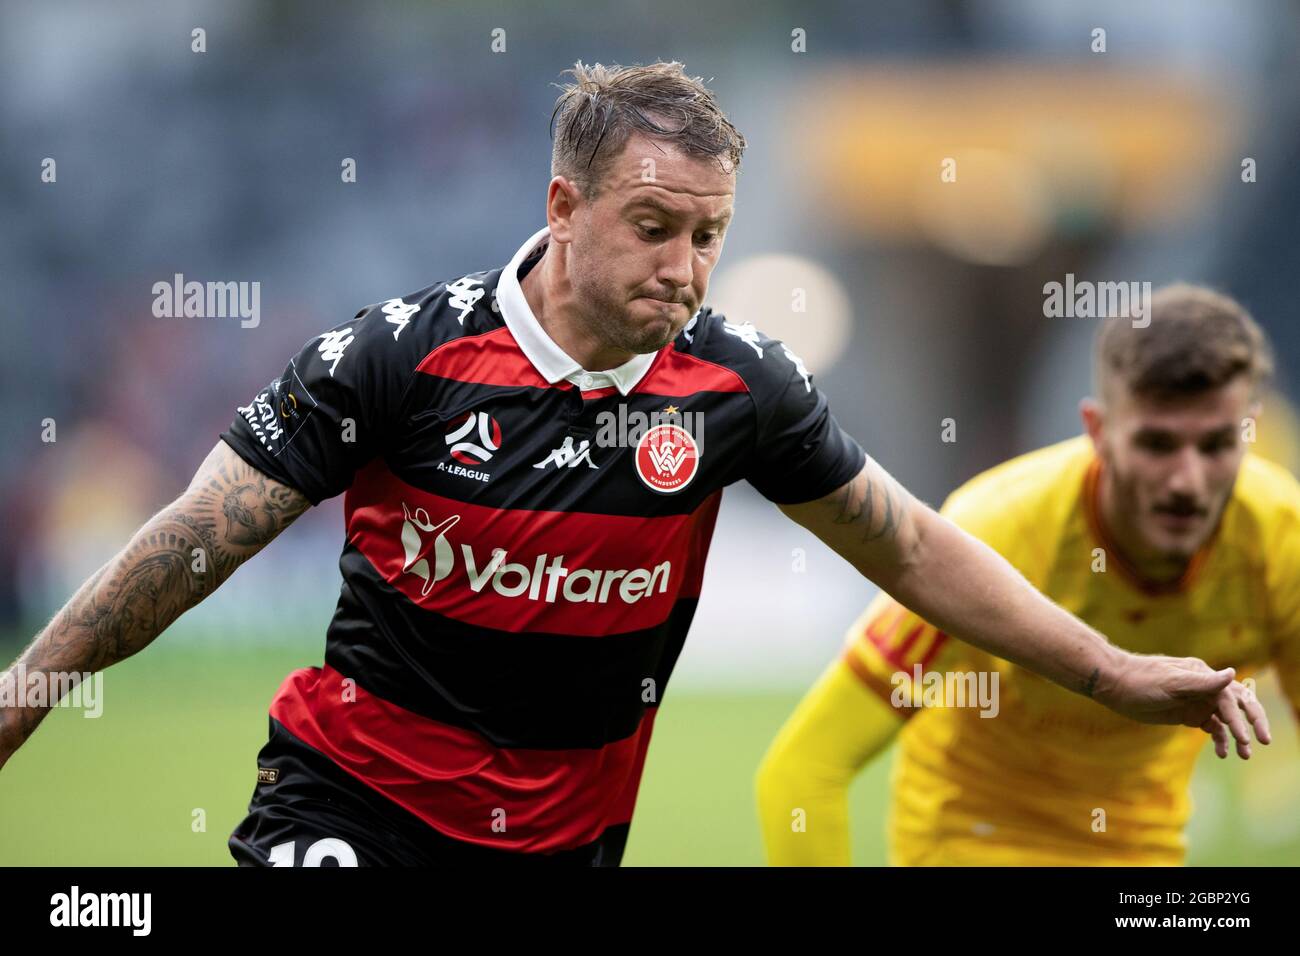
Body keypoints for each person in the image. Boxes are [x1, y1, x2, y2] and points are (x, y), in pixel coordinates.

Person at [0, 64, 1266, 867]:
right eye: (653, 226)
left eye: (710, 233)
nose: (685, 265)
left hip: (568, 836)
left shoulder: (739, 384)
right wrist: (27, 690)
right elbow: (192, 536)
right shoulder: (394, 358)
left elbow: (910, 546)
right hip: (358, 802)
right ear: (562, 205)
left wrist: (1107, 668)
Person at [756, 283, 1298, 866]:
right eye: (1157, 444)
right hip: (972, 847)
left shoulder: (1281, 542)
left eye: (1216, 445)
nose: (1186, 482)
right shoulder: (995, 534)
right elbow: (806, 770)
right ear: (1098, 432)